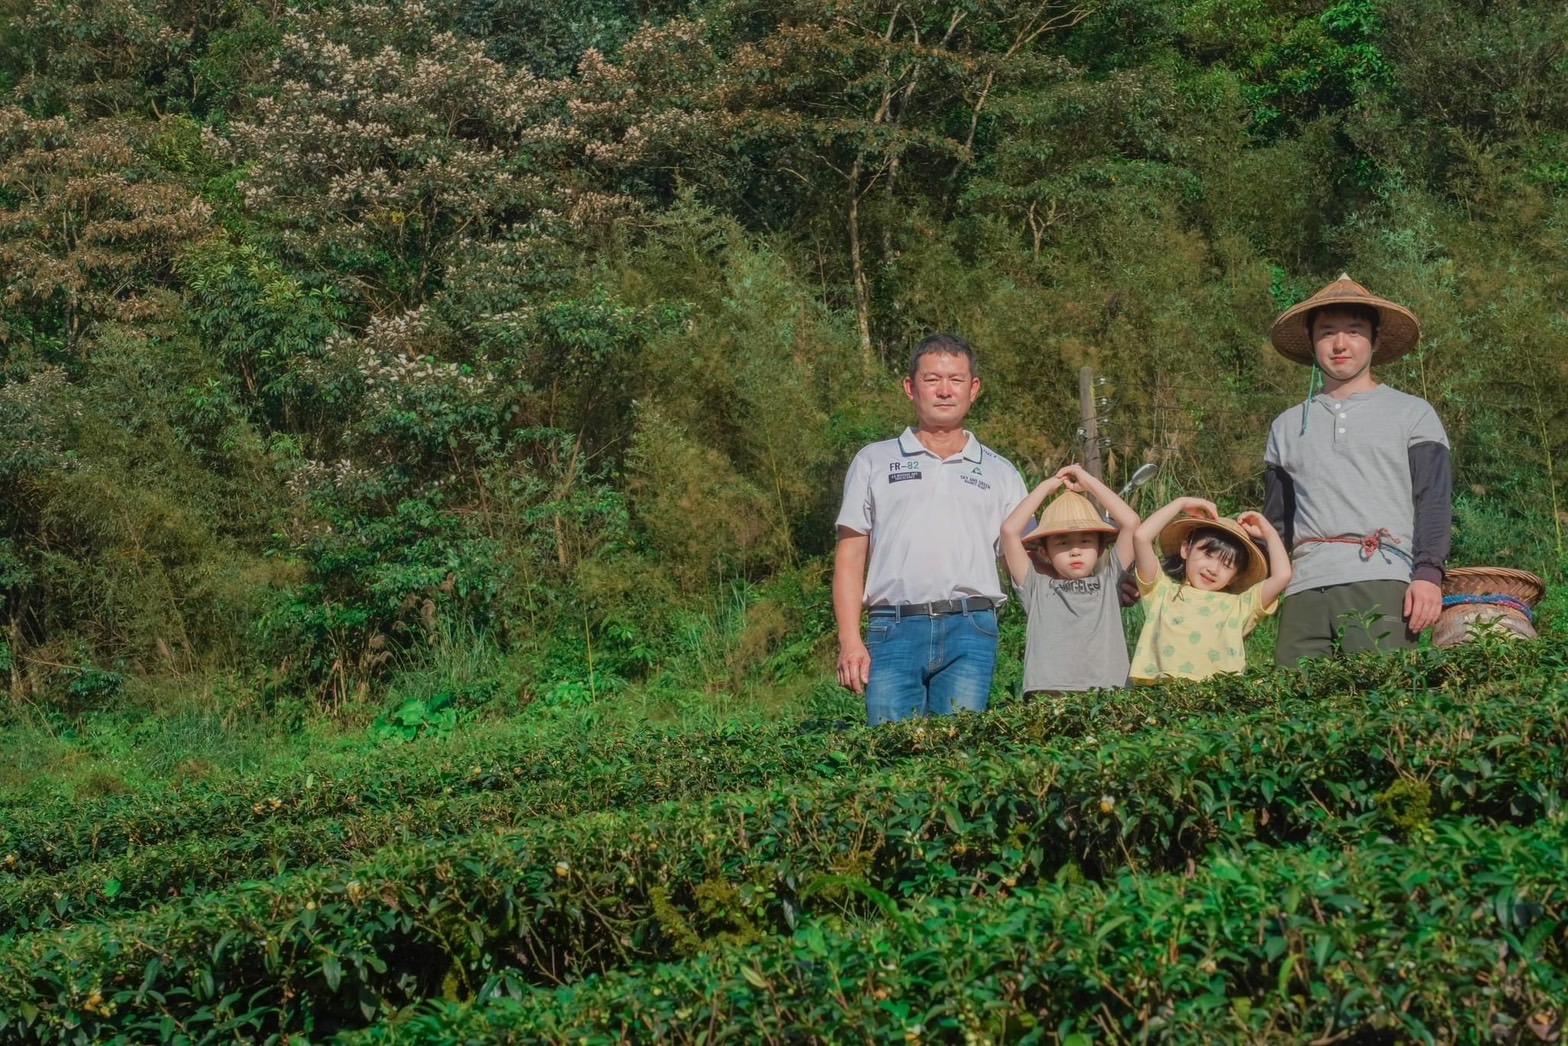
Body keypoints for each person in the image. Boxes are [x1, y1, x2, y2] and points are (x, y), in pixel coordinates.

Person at [833, 333, 1028, 725]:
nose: (944, 390)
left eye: (956, 380)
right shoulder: (873, 461)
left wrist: (1100, 588)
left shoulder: (1000, 472)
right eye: (931, 379)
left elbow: (1028, 562)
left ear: (973, 389)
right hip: (891, 629)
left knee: (960, 760)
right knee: (890, 757)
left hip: (972, 629)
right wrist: (850, 640)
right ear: (910, 387)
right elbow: (850, 559)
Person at [1262, 274, 1452, 665]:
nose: (1340, 343)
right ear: (1313, 341)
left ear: (1375, 340)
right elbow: (1276, 524)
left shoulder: (1413, 413)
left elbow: (1432, 502)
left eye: (1354, 330)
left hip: (1383, 579)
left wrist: (1429, 574)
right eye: (1327, 331)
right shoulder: (1285, 425)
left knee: (1386, 707)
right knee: (1292, 711)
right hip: (1303, 587)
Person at [999, 464, 1139, 695]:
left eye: (1085, 542)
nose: (1075, 551)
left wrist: (1088, 481)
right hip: (1048, 693)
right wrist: (1045, 487)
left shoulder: (1110, 583)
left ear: (1101, 547)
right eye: (1062, 543)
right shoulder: (1036, 585)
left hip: (1108, 693)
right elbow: (1009, 531)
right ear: (1044, 552)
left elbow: (1131, 523)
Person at [1129, 497, 1292, 683]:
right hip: (1160, 699)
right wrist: (1181, 503)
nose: (1213, 569)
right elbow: (1141, 537)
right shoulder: (1161, 592)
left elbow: (1282, 576)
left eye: (1227, 564)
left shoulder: (1239, 606)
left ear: (1236, 576)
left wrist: (1270, 533)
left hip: (1216, 703)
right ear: (1185, 549)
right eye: (1207, 554)